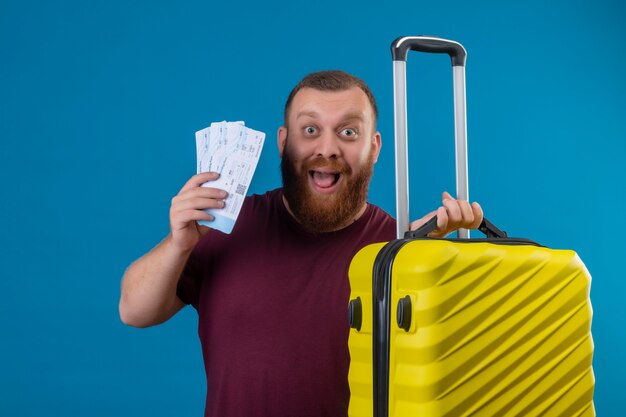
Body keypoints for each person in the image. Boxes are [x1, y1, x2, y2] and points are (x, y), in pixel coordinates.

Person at [119, 70, 483, 417]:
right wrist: (178, 244)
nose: (328, 147)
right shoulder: (227, 225)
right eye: (310, 129)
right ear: (283, 142)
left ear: (373, 148)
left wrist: (428, 260)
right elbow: (134, 311)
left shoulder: (396, 251)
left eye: (348, 132)